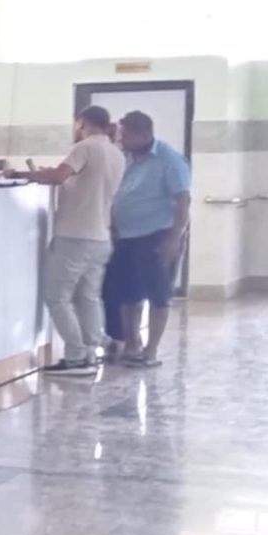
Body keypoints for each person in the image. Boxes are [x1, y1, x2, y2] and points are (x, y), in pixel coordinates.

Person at [22, 106, 125, 376]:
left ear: (81, 123)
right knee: (88, 297)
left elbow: (58, 177)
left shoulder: (85, 147)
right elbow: (82, 183)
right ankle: (91, 352)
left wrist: (22, 175)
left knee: (57, 296)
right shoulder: (115, 152)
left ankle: (76, 356)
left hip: (74, 236)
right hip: (100, 237)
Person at [104, 110, 192, 368]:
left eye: (127, 136)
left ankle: (151, 351)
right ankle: (133, 345)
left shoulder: (169, 159)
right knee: (127, 292)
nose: (122, 140)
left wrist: (174, 238)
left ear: (145, 135)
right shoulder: (126, 156)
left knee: (158, 293)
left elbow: (183, 200)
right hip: (126, 236)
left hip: (158, 235)